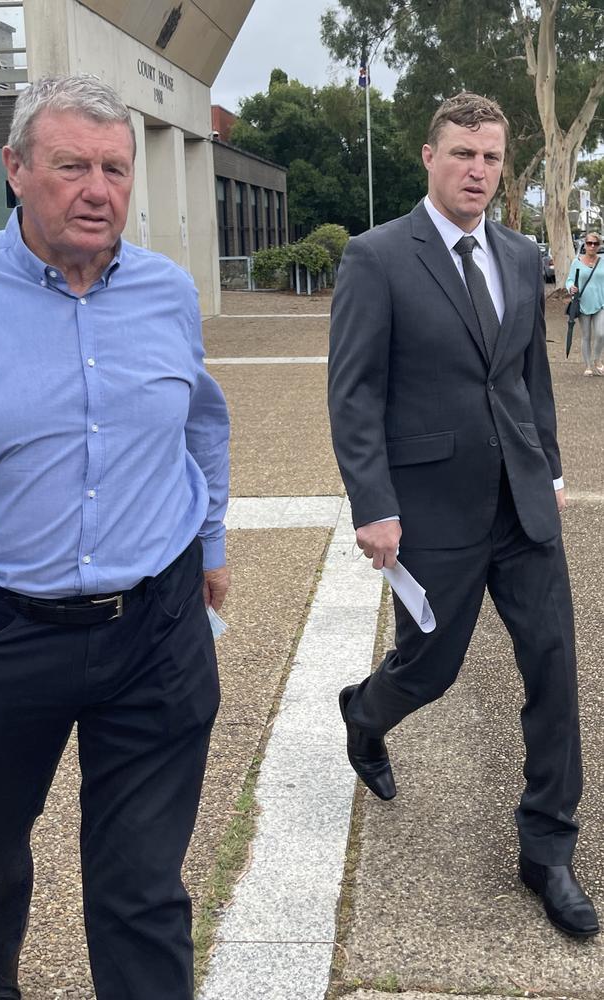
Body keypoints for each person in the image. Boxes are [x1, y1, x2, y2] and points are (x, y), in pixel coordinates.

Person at [0, 76, 230, 1000]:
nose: (97, 189)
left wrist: (211, 543)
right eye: (72, 165)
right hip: (0, 635)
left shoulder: (166, 293)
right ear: (16, 170)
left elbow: (203, 424)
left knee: (143, 890)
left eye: (115, 168)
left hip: (155, 636)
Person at [328, 92, 598, 939]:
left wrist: (550, 468)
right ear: (428, 156)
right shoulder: (377, 258)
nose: (478, 170)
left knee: (554, 671)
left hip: (522, 507)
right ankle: (365, 713)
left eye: (490, 158)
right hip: (432, 512)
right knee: (429, 669)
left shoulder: (520, 256)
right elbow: (354, 393)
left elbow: (526, 379)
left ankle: (547, 848)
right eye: (463, 154)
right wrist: (373, 506)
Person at [566, 232, 604, 376]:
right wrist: (571, 287)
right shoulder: (577, 262)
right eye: (589, 243)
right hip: (583, 303)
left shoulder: (602, 261)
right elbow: (569, 280)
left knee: (601, 333)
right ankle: (588, 365)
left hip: (601, 303)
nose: (592, 246)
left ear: (598, 246)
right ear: (585, 245)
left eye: (595, 243)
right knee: (586, 335)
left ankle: (597, 360)